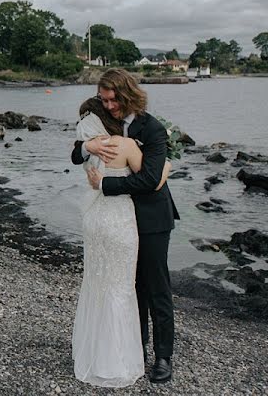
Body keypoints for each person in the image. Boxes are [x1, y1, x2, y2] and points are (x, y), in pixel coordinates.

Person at [71, 68, 180, 384]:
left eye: (113, 100)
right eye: (104, 101)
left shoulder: (154, 129)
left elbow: (148, 180)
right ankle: (134, 349)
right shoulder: (105, 122)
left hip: (151, 219)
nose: (109, 106)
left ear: (128, 94)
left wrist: (104, 185)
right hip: (120, 220)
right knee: (130, 287)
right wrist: (87, 148)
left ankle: (163, 357)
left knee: (155, 287)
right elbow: (76, 152)